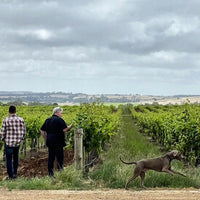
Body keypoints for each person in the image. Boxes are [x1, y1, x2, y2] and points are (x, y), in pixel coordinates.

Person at [40, 107, 73, 177]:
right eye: (61, 113)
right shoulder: (60, 120)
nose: (62, 114)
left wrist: (46, 138)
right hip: (58, 142)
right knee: (59, 157)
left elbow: (42, 130)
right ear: (57, 112)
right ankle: (60, 173)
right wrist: (71, 126)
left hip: (50, 141)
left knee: (51, 158)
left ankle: (50, 174)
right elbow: (65, 130)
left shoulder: (48, 120)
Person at [1, 105, 26, 180]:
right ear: (15, 111)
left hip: (8, 143)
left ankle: (10, 176)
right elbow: (24, 131)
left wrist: (4, 139)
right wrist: (21, 139)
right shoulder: (21, 119)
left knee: (9, 159)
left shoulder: (5, 120)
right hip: (17, 143)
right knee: (16, 158)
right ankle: (15, 173)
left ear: (9, 111)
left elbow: (2, 132)